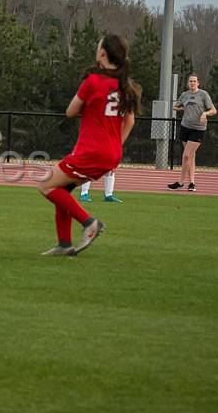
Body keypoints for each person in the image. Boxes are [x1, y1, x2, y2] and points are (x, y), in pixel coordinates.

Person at [36, 34, 141, 256]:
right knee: (62, 190)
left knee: (45, 185)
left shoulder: (93, 81)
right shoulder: (125, 85)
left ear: (102, 54)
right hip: (111, 153)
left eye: (98, 46)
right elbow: (130, 121)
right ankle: (64, 245)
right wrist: (115, 146)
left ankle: (89, 223)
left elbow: (70, 111)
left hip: (91, 151)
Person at [168, 73, 216, 192]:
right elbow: (175, 107)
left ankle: (180, 182)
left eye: (194, 81)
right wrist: (182, 108)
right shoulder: (184, 95)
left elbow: (213, 110)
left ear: (198, 83)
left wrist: (205, 113)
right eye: (190, 81)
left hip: (198, 129)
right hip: (185, 127)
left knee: (186, 156)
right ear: (188, 83)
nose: (192, 83)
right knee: (190, 156)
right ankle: (192, 183)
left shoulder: (203, 94)